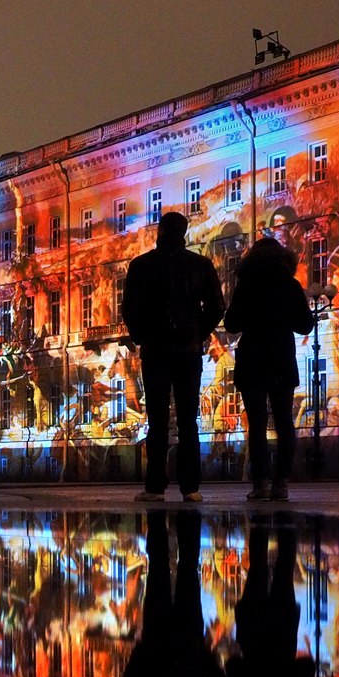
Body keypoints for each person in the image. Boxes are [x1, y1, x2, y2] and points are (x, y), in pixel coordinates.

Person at [120, 211, 225, 503]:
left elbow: (130, 308)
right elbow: (217, 307)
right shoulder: (201, 265)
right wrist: (197, 334)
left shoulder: (141, 266)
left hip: (155, 350)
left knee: (157, 419)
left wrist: (142, 335)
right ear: (184, 233)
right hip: (188, 352)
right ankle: (190, 487)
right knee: (188, 420)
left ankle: (155, 486)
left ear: (160, 232)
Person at [121, 508, 226, 677]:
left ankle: (189, 518)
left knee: (188, 569)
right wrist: (141, 650)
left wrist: (203, 655)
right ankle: (157, 518)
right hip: (156, 638)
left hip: (189, 641)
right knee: (157, 569)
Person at [225, 236, 315, 501]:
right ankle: (282, 484)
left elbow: (232, 323)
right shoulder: (291, 285)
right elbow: (306, 326)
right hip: (281, 358)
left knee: (257, 423)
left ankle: (260, 483)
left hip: (253, 357)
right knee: (285, 421)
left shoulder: (247, 284)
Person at [226, 514, 316, 677]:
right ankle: (260, 522)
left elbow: (307, 665)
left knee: (284, 568)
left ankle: (285, 523)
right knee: (258, 569)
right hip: (253, 629)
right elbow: (232, 665)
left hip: (282, 629)